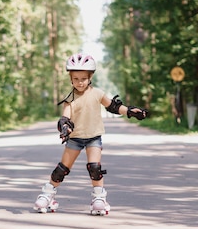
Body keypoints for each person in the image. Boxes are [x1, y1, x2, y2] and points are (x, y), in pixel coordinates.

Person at [33, 52, 149, 215]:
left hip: (94, 137)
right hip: (75, 139)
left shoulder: (97, 93)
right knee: (62, 169)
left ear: (90, 77)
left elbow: (113, 107)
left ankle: (99, 198)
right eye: (76, 79)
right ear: (71, 79)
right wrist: (65, 126)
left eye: (83, 79)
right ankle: (47, 195)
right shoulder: (70, 97)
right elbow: (65, 115)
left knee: (95, 168)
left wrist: (130, 111)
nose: (80, 82)